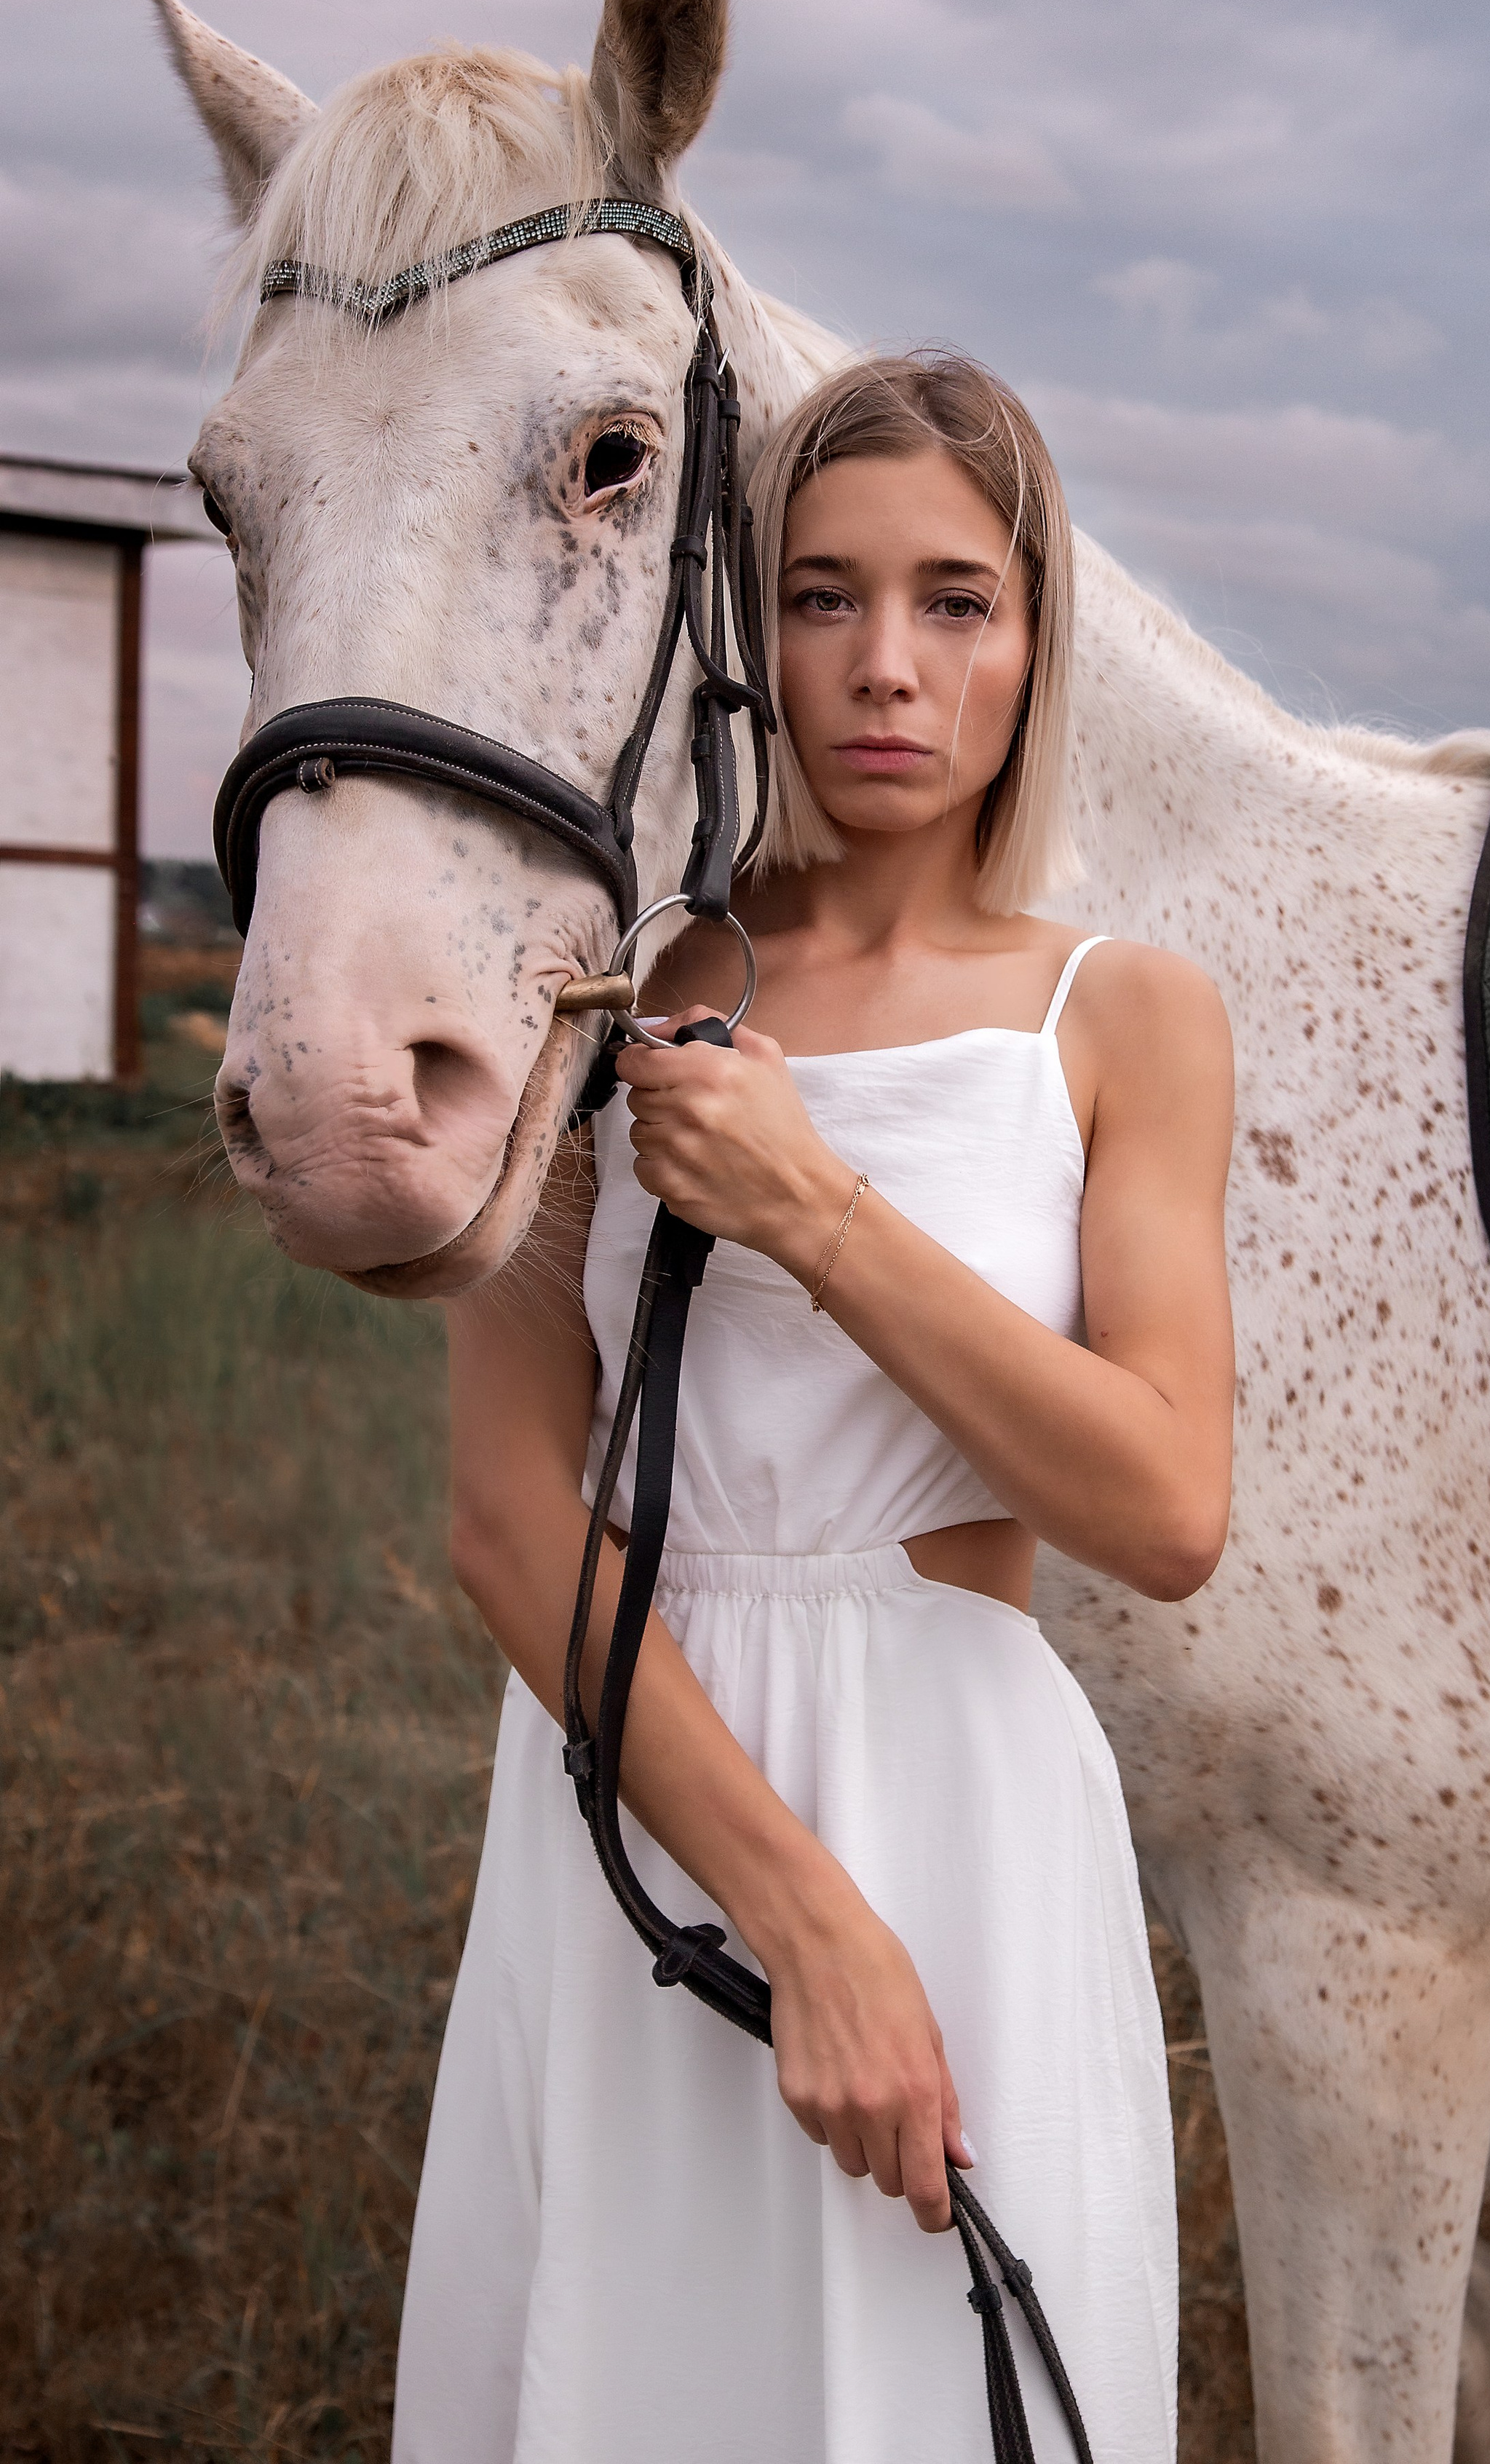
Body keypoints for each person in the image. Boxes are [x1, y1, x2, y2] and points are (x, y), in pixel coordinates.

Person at [394, 352, 1237, 2463]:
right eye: (821, 594)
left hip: (960, 1808)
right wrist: (799, 1926)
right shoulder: (613, 977)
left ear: (1038, 644)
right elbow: (511, 1521)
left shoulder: (1123, 1012)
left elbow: (1160, 1508)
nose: (888, 666)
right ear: (745, 629)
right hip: (634, 1817)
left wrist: (809, 1207)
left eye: (957, 600)